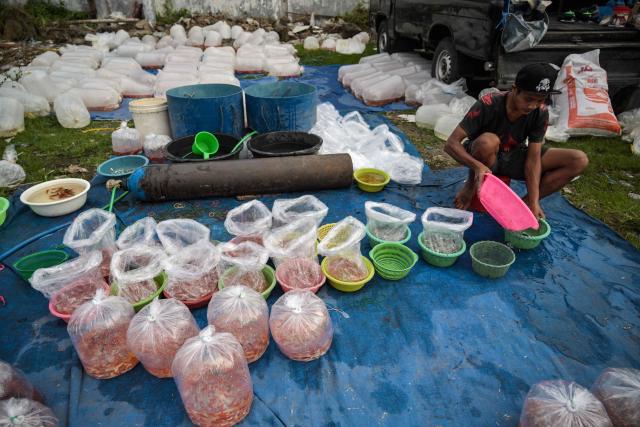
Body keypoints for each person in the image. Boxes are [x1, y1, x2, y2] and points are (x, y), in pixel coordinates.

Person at [444, 63, 589, 218]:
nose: (533, 105)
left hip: (513, 156)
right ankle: (471, 185)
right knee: (488, 142)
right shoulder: (488, 104)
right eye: (528, 99)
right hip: (483, 156)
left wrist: (534, 201)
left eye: (540, 100)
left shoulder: (540, 113)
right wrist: (477, 167)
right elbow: (451, 144)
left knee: (578, 160)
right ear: (514, 89)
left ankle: (523, 205)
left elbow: (533, 159)